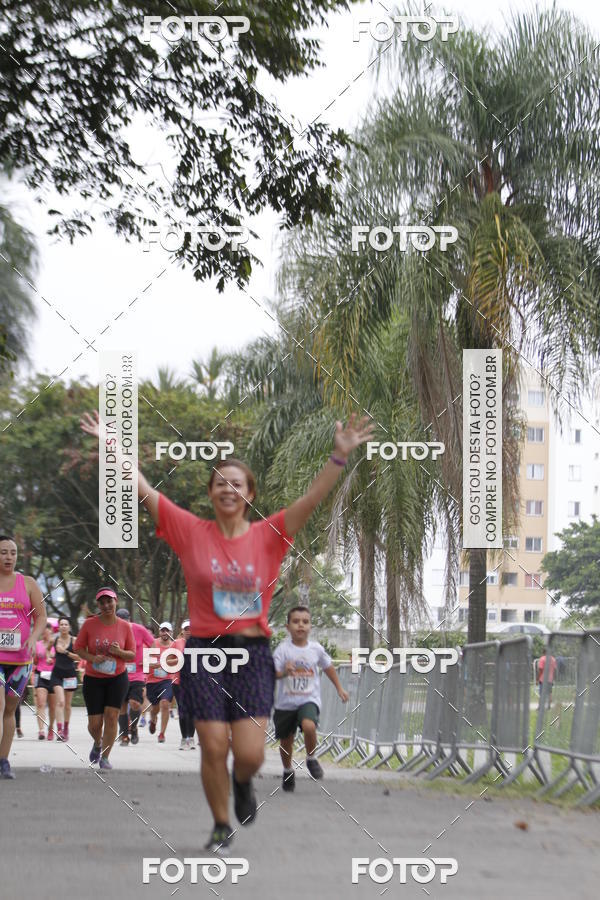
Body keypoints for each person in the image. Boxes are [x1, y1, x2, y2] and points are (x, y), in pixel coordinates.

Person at [81, 408, 373, 852]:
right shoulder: (190, 530)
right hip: (204, 652)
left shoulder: (270, 533)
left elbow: (313, 499)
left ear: (250, 493)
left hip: (253, 654)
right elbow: (141, 488)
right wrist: (109, 443)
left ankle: (243, 783)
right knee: (213, 745)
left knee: (251, 754)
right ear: (211, 493)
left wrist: (338, 456)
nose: (229, 488)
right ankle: (220, 824)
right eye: (220, 483)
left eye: (237, 483)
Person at [273, 606, 348, 791]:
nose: (301, 625)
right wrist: (284, 672)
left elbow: (328, 667)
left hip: (309, 699)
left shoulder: (316, 649)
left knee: (309, 726)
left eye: (305, 622)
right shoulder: (282, 650)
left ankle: (311, 758)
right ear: (288, 626)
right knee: (286, 741)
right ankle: (287, 770)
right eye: (296, 621)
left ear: (310, 626)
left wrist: (339, 688)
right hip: (286, 702)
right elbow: (273, 672)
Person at [0, 534, 47, 778]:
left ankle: (4, 761)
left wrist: (33, 637)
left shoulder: (28, 583)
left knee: (9, 711)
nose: (9, 557)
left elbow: (41, 617)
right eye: (3, 552)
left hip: (20, 660)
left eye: (13, 552)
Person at [73, 587, 135, 769]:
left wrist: (119, 652)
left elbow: (132, 654)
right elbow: (78, 648)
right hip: (93, 679)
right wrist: (92, 658)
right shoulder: (89, 624)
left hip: (117, 678)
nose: (107, 605)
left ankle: (105, 757)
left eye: (110, 601)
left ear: (116, 602)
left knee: (111, 716)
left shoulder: (125, 626)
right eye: (102, 602)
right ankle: (98, 743)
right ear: (98, 605)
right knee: (94, 724)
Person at [116, 608, 154, 746]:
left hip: (137, 674)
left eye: (125, 621)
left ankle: (133, 727)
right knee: (122, 706)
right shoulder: (113, 631)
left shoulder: (140, 630)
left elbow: (153, 644)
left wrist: (148, 659)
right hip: (119, 674)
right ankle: (125, 735)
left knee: (135, 703)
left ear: (129, 620)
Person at [49, 617, 80, 741]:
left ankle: (66, 728)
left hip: (70, 674)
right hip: (57, 674)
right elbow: (46, 649)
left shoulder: (75, 640)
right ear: (59, 627)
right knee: (60, 701)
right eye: (61, 624)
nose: (63, 626)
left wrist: (65, 652)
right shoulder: (54, 639)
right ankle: (60, 730)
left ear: (69, 627)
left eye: (65, 624)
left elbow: (79, 657)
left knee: (67, 705)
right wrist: (49, 656)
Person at [146, 622, 175, 743]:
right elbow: (146, 663)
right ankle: (153, 719)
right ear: (159, 632)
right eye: (163, 630)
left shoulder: (174, 645)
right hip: (152, 681)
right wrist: (159, 664)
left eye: (167, 630)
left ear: (171, 632)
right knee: (155, 708)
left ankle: (162, 733)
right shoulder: (153, 643)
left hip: (167, 680)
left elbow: (178, 661)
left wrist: (166, 664)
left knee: (165, 704)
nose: (165, 633)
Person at [171, 620, 195, 749]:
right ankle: (183, 738)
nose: (189, 631)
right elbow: (167, 660)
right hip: (178, 681)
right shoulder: (176, 643)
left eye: (191, 628)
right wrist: (179, 658)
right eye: (186, 629)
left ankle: (191, 738)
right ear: (182, 631)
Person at [34, 623, 56, 740]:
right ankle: (41, 730)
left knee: (53, 706)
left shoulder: (55, 645)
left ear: (51, 632)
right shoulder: (37, 644)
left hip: (53, 676)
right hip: (40, 674)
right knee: (41, 703)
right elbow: (35, 661)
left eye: (46, 632)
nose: (44, 634)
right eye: (42, 632)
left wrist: (52, 659)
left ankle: (51, 727)